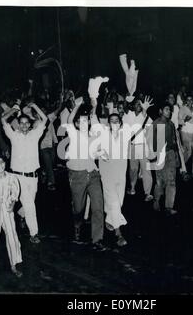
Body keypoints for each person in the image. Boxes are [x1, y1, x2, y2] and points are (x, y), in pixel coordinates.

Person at [2, 102, 48, 244]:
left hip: (33, 177)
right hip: (18, 177)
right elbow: (3, 120)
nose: (23, 125)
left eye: (26, 123)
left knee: (29, 203)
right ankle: (34, 233)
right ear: (18, 124)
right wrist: (13, 110)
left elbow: (45, 119)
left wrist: (34, 106)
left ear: (30, 124)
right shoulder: (13, 135)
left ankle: (21, 214)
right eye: (21, 123)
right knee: (29, 205)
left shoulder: (35, 134)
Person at [66, 96, 106, 251]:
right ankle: (77, 223)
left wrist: (94, 106)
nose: (83, 123)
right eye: (80, 121)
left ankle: (97, 239)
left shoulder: (93, 137)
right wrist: (76, 105)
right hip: (77, 176)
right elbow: (69, 120)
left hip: (93, 175)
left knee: (98, 206)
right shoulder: (74, 134)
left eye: (86, 121)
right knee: (78, 207)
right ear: (76, 124)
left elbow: (97, 153)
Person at [93, 112, 131, 247]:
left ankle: (109, 219)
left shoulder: (125, 135)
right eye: (111, 121)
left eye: (117, 120)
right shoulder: (103, 136)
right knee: (114, 203)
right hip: (107, 174)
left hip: (120, 175)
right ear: (108, 124)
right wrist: (100, 154)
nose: (114, 123)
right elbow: (93, 151)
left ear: (120, 123)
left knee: (118, 203)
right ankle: (118, 234)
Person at [148, 103, 180, 215]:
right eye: (166, 109)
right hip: (160, 154)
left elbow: (173, 141)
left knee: (171, 180)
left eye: (170, 110)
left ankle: (168, 207)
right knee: (160, 181)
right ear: (161, 111)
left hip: (170, 153)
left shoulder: (171, 124)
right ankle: (156, 200)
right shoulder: (156, 124)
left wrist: (175, 154)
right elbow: (151, 142)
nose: (169, 111)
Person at [123, 97, 154, 201]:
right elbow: (124, 107)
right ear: (133, 105)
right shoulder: (129, 115)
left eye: (141, 104)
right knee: (133, 169)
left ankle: (148, 193)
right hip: (132, 146)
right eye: (137, 104)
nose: (139, 106)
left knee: (146, 169)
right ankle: (132, 188)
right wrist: (127, 98)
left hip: (143, 146)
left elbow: (151, 131)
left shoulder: (146, 117)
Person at [178, 95, 193, 179]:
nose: (189, 101)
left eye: (191, 99)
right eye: (187, 100)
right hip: (185, 132)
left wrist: (192, 120)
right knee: (188, 152)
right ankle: (182, 168)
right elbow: (179, 121)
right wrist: (185, 120)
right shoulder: (182, 108)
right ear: (185, 101)